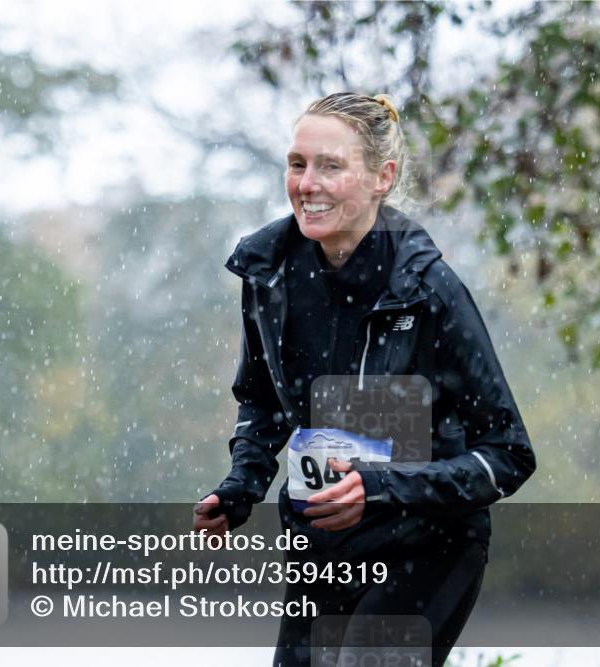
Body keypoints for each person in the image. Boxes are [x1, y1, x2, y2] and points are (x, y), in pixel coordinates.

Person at [193, 92, 536, 666]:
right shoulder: (267, 275)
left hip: (428, 547)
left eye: (331, 166)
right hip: (321, 550)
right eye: (298, 163)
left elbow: (507, 454)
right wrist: (240, 487)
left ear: (383, 177)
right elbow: (262, 402)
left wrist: (380, 486)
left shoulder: (430, 291)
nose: (308, 183)